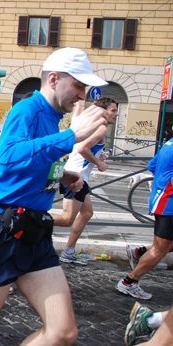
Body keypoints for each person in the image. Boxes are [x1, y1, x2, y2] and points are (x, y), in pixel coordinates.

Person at [0, 47, 109, 346]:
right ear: (55, 79)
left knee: (63, 332)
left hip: (35, 231)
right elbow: (7, 156)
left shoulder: (52, 117)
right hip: (2, 230)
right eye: (79, 85)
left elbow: (28, 164)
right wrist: (72, 136)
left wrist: (60, 176)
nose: (83, 95)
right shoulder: (27, 110)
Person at [53, 97, 119, 265]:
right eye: (113, 110)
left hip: (78, 176)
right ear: (102, 111)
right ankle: (29, 218)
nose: (116, 114)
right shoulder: (102, 129)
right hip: (75, 177)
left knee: (87, 213)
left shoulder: (87, 124)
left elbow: (85, 147)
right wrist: (99, 163)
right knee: (67, 219)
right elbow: (83, 149)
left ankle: (69, 250)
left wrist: (98, 156)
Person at [117, 134, 173, 300]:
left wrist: (159, 186)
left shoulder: (169, 143)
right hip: (168, 204)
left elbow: (152, 165)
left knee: (164, 245)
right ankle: (129, 282)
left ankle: (139, 251)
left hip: (161, 199)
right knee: (160, 249)